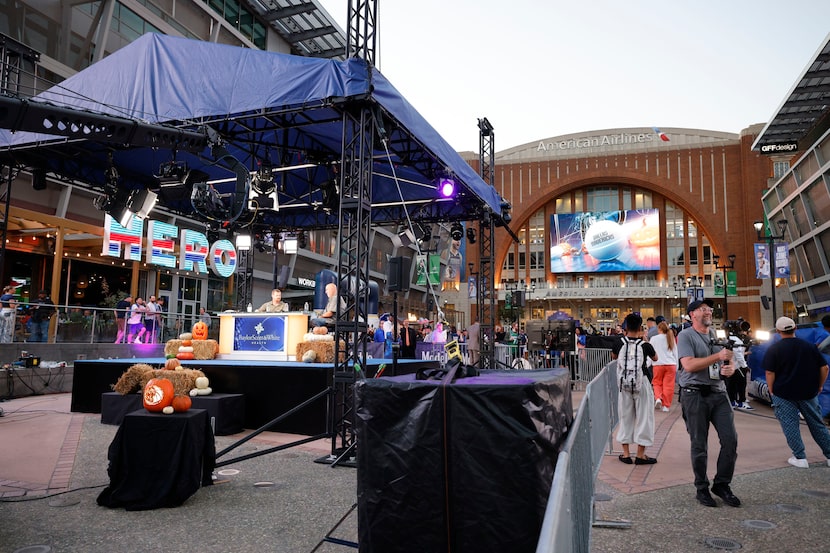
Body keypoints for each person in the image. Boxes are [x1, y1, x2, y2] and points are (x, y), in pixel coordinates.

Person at [676, 298, 740, 508]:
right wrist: (717, 357)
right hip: (694, 395)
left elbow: (726, 359)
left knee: (730, 440)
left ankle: (721, 484)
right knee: (699, 444)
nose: (709, 312)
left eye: (710, 310)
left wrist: (730, 366)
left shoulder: (714, 335)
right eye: (703, 309)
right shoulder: (685, 335)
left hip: (718, 393)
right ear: (692, 314)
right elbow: (689, 365)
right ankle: (701, 488)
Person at [763, 316, 830, 469]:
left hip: (783, 393)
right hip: (808, 391)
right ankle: (829, 454)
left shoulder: (775, 349)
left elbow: (769, 372)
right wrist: (819, 385)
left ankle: (800, 458)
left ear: (778, 331)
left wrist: (772, 389)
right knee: (817, 424)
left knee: (790, 424)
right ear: (795, 329)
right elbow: (825, 368)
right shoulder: (810, 347)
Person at [612, 313, 658, 465]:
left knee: (625, 417)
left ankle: (625, 454)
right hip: (642, 382)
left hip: (624, 384)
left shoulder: (618, 343)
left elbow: (614, 357)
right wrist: (644, 339)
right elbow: (655, 358)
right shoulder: (644, 345)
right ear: (640, 328)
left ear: (625, 327)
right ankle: (640, 455)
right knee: (644, 417)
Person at [650, 321, 677, 412]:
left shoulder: (654, 339)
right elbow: (675, 352)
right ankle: (666, 406)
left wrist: (647, 363)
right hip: (671, 364)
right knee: (668, 385)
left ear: (659, 329)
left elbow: (651, 353)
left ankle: (658, 398)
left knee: (657, 382)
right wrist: (676, 365)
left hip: (658, 364)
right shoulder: (670, 338)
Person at [726, 330, 752, 410]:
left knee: (732, 385)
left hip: (733, 366)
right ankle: (741, 402)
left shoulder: (732, 339)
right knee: (741, 384)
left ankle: (733, 401)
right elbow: (738, 354)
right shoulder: (736, 340)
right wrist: (744, 366)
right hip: (738, 366)